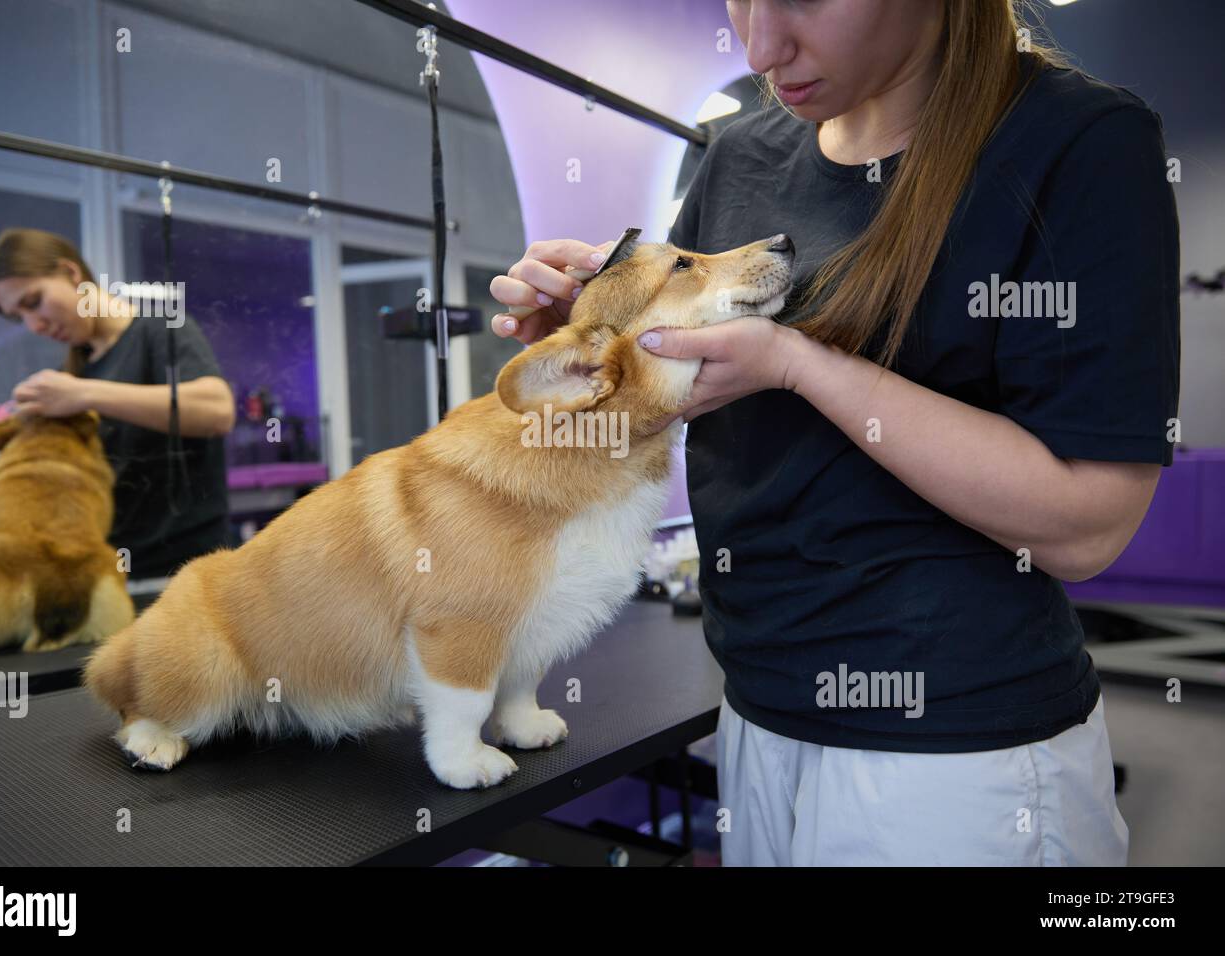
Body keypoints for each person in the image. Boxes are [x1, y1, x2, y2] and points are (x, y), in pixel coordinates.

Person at [489, 0, 1179, 865]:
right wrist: (595, 343)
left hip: (952, 755)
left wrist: (801, 365)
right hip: (757, 711)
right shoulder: (740, 153)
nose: (761, 45)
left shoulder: (1077, 143)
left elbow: (1089, 525)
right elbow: (674, 388)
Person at [0, 227, 236, 581]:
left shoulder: (160, 330)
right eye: (18, 316)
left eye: (33, 301)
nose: (34, 325)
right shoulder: (75, 370)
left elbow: (217, 410)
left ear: (71, 274)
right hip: (111, 573)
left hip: (187, 575)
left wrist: (83, 394)